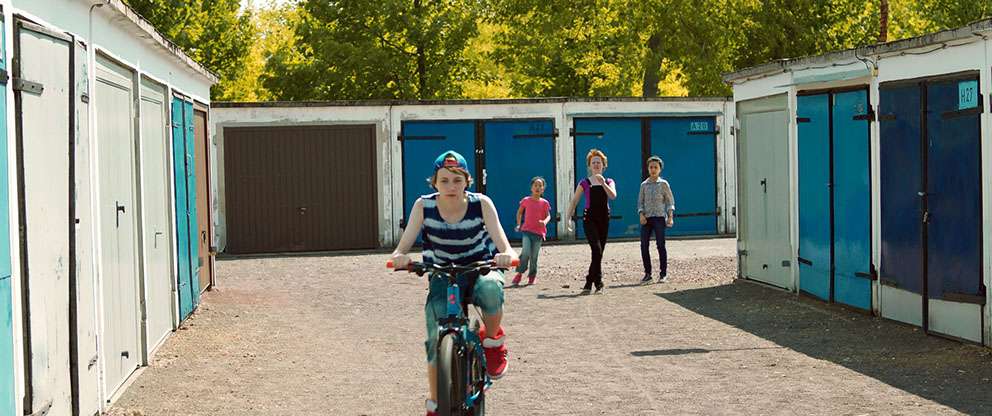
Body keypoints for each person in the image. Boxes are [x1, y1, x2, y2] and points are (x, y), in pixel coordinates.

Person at [388, 151, 518, 416]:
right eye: (444, 180)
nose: (451, 187)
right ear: (434, 182)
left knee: (491, 290)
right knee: (435, 336)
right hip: (443, 274)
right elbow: (401, 248)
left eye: (457, 180)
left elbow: (506, 246)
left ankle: (492, 342)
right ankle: (436, 404)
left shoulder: (481, 204)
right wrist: (400, 257)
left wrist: (506, 255)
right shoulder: (423, 206)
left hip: (480, 267)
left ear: (467, 181)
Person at [564, 149, 617, 294]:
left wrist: (603, 183)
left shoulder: (609, 181)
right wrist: (567, 218)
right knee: (596, 249)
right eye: (593, 163)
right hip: (589, 219)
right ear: (589, 166)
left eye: (598, 162)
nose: (596, 165)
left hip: (604, 219)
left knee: (598, 253)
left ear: (603, 165)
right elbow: (574, 200)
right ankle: (599, 283)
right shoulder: (584, 183)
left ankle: (589, 281)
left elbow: (613, 196)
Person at [638, 156, 675, 284]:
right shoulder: (644, 185)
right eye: (651, 167)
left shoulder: (663, 184)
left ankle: (663, 274)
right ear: (648, 169)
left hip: (659, 218)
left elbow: (670, 201)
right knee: (644, 245)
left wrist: (670, 217)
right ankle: (648, 273)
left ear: (660, 169)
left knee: (660, 245)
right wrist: (641, 215)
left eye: (656, 167)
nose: (653, 170)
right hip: (647, 219)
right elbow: (640, 203)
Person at [513, 177, 552, 285]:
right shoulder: (526, 200)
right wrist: (518, 224)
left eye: (540, 186)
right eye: (535, 185)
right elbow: (519, 212)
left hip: (539, 233)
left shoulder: (544, 203)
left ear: (543, 189)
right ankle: (519, 273)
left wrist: (544, 222)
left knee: (534, 256)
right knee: (525, 252)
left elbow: (548, 215)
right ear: (531, 188)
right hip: (527, 231)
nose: (537, 188)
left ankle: (532, 275)